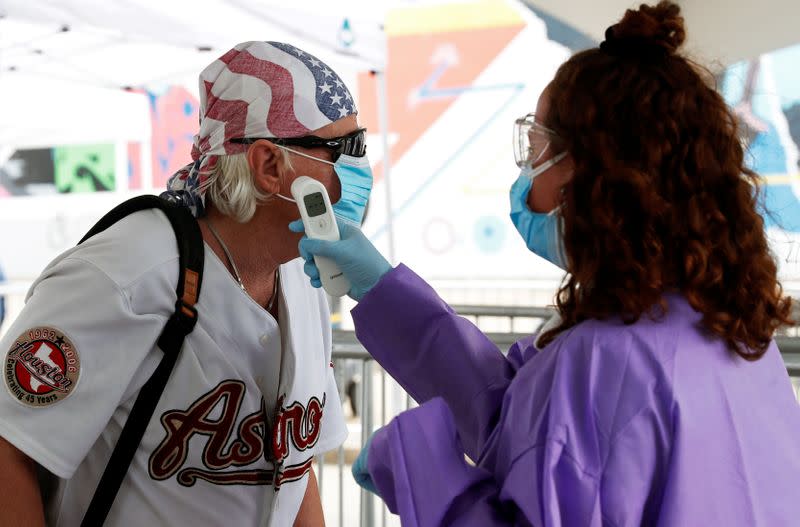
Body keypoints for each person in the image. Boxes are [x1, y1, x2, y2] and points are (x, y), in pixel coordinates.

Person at [292, 2, 800, 525]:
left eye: (535, 147)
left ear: (593, 172)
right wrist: (382, 290)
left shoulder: (604, 359)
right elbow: (522, 420)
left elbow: (549, 439)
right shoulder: (732, 333)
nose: (526, 175)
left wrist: (419, 464)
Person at [0, 40, 373, 526]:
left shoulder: (302, 275)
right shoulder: (124, 275)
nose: (363, 166)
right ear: (268, 165)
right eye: (347, 148)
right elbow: (11, 451)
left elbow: (295, 471)